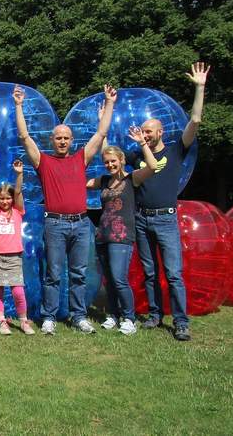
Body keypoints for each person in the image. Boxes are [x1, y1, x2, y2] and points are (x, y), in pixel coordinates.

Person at [14, 84, 116, 335]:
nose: (62, 141)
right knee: (54, 273)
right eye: (58, 137)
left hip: (81, 224)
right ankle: (48, 317)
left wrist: (110, 103)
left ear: (71, 141)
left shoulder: (80, 158)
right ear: (53, 140)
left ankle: (79, 316)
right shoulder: (43, 162)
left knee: (79, 274)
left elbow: (101, 134)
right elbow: (25, 137)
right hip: (55, 225)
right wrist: (18, 105)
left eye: (66, 138)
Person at [127, 62, 210, 341]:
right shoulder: (136, 155)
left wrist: (200, 87)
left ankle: (181, 322)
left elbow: (195, 121)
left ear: (160, 132)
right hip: (142, 218)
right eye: (143, 132)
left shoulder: (176, 151)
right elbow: (108, 155)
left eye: (149, 132)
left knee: (173, 273)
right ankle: (154, 315)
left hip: (165, 219)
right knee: (149, 272)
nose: (145, 135)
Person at [86, 127, 157, 335]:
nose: (109, 164)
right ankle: (113, 315)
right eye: (106, 162)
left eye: (113, 161)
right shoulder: (105, 181)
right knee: (108, 280)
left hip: (122, 237)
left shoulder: (132, 178)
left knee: (119, 278)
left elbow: (153, 166)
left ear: (122, 159)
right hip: (103, 235)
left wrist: (143, 143)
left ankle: (129, 318)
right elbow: (80, 183)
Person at [0, 159, 34, 336]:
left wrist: (19, 174)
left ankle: (23, 321)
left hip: (14, 257)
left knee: (18, 291)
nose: (5, 201)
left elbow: (19, 191)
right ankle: (1, 321)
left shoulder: (18, 211)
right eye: (2, 198)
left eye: (8, 198)